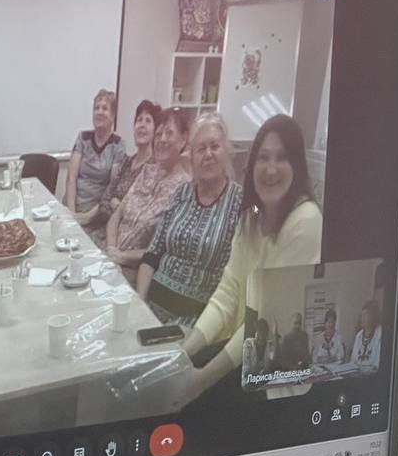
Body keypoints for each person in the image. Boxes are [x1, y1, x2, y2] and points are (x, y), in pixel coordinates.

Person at [182, 114, 323, 398]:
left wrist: (200, 381)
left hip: (273, 373)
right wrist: (187, 350)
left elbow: (264, 318)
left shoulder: (306, 220)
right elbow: (228, 290)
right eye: (263, 158)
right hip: (241, 350)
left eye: (282, 158)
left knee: (189, 404)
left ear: (297, 166)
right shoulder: (252, 215)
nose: (270, 169)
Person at [137, 111, 243, 329]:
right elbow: (152, 253)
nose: (208, 154)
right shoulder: (181, 193)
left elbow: (259, 216)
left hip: (195, 321)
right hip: (150, 307)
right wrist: (139, 305)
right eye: (200, 149)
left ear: (226, 152)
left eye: (214, 146)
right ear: (192, 157)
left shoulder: (241, 201)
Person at [105, 107, 192, 283]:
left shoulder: (185, 188)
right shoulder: (147, 171)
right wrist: (111, 250)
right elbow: (116, 216)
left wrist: (121, 257)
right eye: (158, 134)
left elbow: (165, 248)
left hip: (137, 271)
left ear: (183, 139)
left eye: (169, 133)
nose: (162, 139)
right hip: (111, 257)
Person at [65, 88, 127, 243]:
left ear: (113, 115)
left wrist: (86, 217)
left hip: (97, 213)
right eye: (96, 108)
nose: (99, 112)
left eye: (105, 108)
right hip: (73, 205)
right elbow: (71, 178)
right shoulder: (83, 137)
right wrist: (72, 214)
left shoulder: (118, 145)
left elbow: (112, 188)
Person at [101, 99, 160, 219]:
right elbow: (105, 198)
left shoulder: (154, 168)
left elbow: (138, 214)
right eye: (139, 120)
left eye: (148, 121)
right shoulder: (127, 162)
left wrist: (115, 204)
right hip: (105, 221)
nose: (142, 125)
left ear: (155, 131)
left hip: (125, 229)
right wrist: (113, 202)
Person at [351, 299, 383, 371]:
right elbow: (353, 361)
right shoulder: (359, 336)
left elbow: (376, 366)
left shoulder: (380, 333)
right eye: (361, 315)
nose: (361, 318)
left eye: (365, 315)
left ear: (373, 316)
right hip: (356, 374)